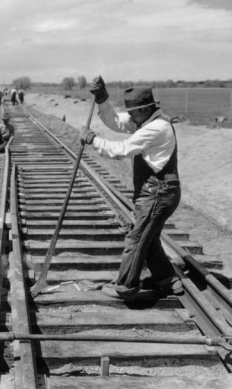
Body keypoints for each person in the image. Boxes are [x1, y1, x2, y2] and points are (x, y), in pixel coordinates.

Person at [80, 76, 183, 301]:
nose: (131, 117)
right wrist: (102, 100)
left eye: (134, 113)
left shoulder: (156, 128)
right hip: (157, 191)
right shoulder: (144, 120)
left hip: (159, 192)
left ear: (146, 109)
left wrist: (94, 140)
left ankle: (126, 287)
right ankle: (168, 280)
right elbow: (116, 122)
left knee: (136, 238)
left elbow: (123, 149)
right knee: (149, 237)